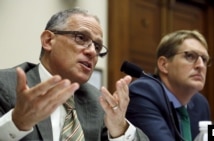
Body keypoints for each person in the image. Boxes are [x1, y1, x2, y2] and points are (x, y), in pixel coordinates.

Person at [0, 8, 149, 141]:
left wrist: (119, 128)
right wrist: (16, 123)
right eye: (80, 38)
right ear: (48, 40)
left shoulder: (97, 102)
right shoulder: (5, 85)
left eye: (97, 47)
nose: (91, 51)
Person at [125, 30, 211, 141]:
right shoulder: (144, 92)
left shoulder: (200, 104)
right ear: (164, 64)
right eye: (190, 56)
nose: (201, 65)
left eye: (204, 59)